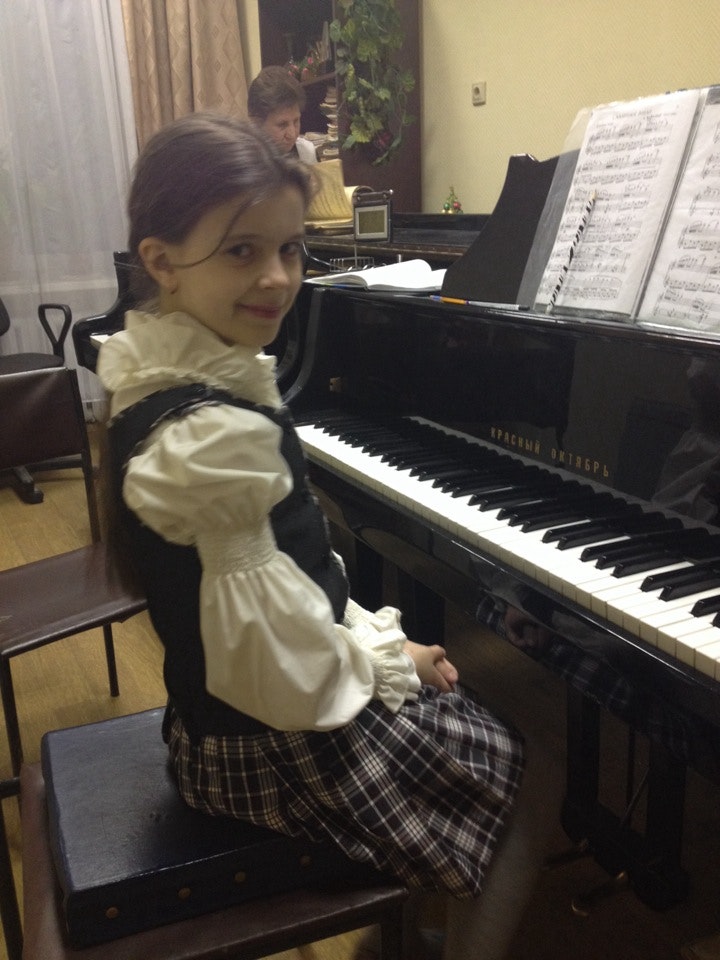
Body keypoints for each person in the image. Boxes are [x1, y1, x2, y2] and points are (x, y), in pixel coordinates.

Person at [97, 112, 560, 960]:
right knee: (529, 775)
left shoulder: (169, 365)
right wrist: (386, 661)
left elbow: (279, 589)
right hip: (267, 746)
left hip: (229, 716)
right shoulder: (208, 437)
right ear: (160, 261)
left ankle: (414, 930)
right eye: (242, 250)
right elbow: (281, 668)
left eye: (291, 248)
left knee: (470, 737)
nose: (278, 277)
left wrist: (370, 642)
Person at [247, 64, 317, 163]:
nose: (292, 134)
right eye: (282, 125)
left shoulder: (305, 151)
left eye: (296, 121)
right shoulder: (241, 162)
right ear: (256, 124)